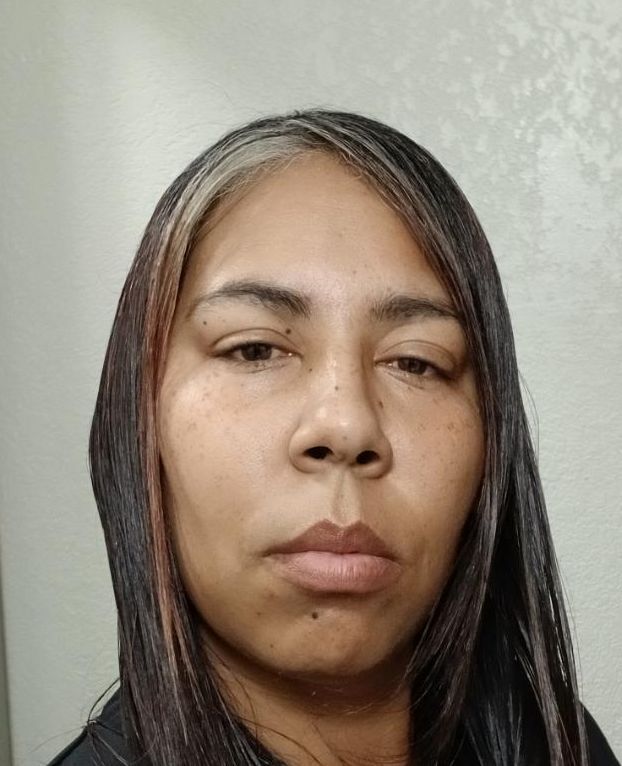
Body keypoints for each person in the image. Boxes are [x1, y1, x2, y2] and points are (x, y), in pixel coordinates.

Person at [48, 109, 620, 766]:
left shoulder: (556, 741)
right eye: (254, 349)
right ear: (139, 419)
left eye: (417, 362)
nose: (347, 426)